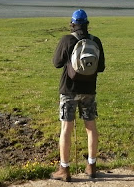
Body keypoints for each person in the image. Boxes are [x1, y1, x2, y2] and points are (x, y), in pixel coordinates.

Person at [50, 9, 106, 182]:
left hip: (68, 90)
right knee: (91, 127)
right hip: (89, 91)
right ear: (87, 23)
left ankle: (64, 169)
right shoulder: (95, 41)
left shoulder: (67, 39)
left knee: (66, 129)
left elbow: (56, 63)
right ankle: (91, 166)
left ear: (73, 23)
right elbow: (101, 67)